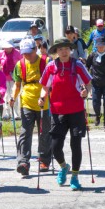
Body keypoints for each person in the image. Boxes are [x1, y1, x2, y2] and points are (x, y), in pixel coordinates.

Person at [39, 37, 91, 190]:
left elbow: (88, 83)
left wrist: (85, 92)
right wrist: (42, 98)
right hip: (57, 111)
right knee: (55, 147)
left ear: (70, 50)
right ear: (56, 51)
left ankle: (74, 176)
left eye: (66, 48)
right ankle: (63, 167)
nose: (63, 51)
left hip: (76, 110)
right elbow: (45, 87)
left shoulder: (78, 65)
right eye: (60, 49)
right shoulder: (50, 67)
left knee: (75, 145)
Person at [10, 37, 51, 175]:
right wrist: (12, 98)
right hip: (27, 102)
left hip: (44, 102)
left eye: (29, 52)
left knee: (44, 132)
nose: (26, 55)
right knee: (25, 132)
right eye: (24, 53)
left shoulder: (46, 61)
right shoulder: (20, 64)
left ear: (36, 49)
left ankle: (44, 160)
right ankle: (23, 162)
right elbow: (17, 85)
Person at [0, 40, 22, 120]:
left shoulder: (17, 52)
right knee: (6, 96)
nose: (7, 49)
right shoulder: (1, 53)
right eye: (5, 47)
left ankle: (16, 113)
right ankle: (7, 113)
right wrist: (0, 68)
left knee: (14, 95)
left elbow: (22, 64)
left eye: (9, 47)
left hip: (15, 78)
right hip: (4, 77)